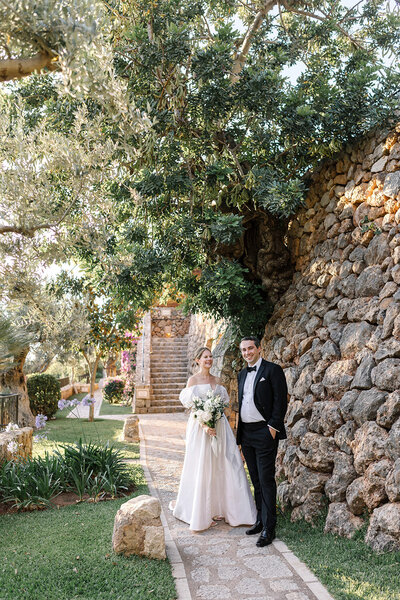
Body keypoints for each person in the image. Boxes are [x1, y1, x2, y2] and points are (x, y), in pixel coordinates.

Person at [171, 347, 257, 532]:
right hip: (200, 429)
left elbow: (224, 407)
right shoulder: (192, 381)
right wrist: (203, 425)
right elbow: (192, 408)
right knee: (203, 466)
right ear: (197, 360)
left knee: (225, 464)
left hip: (220, 428)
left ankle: (227, 509)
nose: (209, 359)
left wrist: (215, 421)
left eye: (210, 357)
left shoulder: (217, 381)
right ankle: (203, 512)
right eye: (205, 357)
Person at [237, 336, 288, 547]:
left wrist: (273, 428)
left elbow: (281, 399)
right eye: (243, 350)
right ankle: (260, 520)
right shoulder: (241, 373)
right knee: (255, 479)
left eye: (250, 348)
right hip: (247, 432)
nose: (247, 353)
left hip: (265, 432)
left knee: (266, 479)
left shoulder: (272, 370)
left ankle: (269, 528)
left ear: (259, 348)